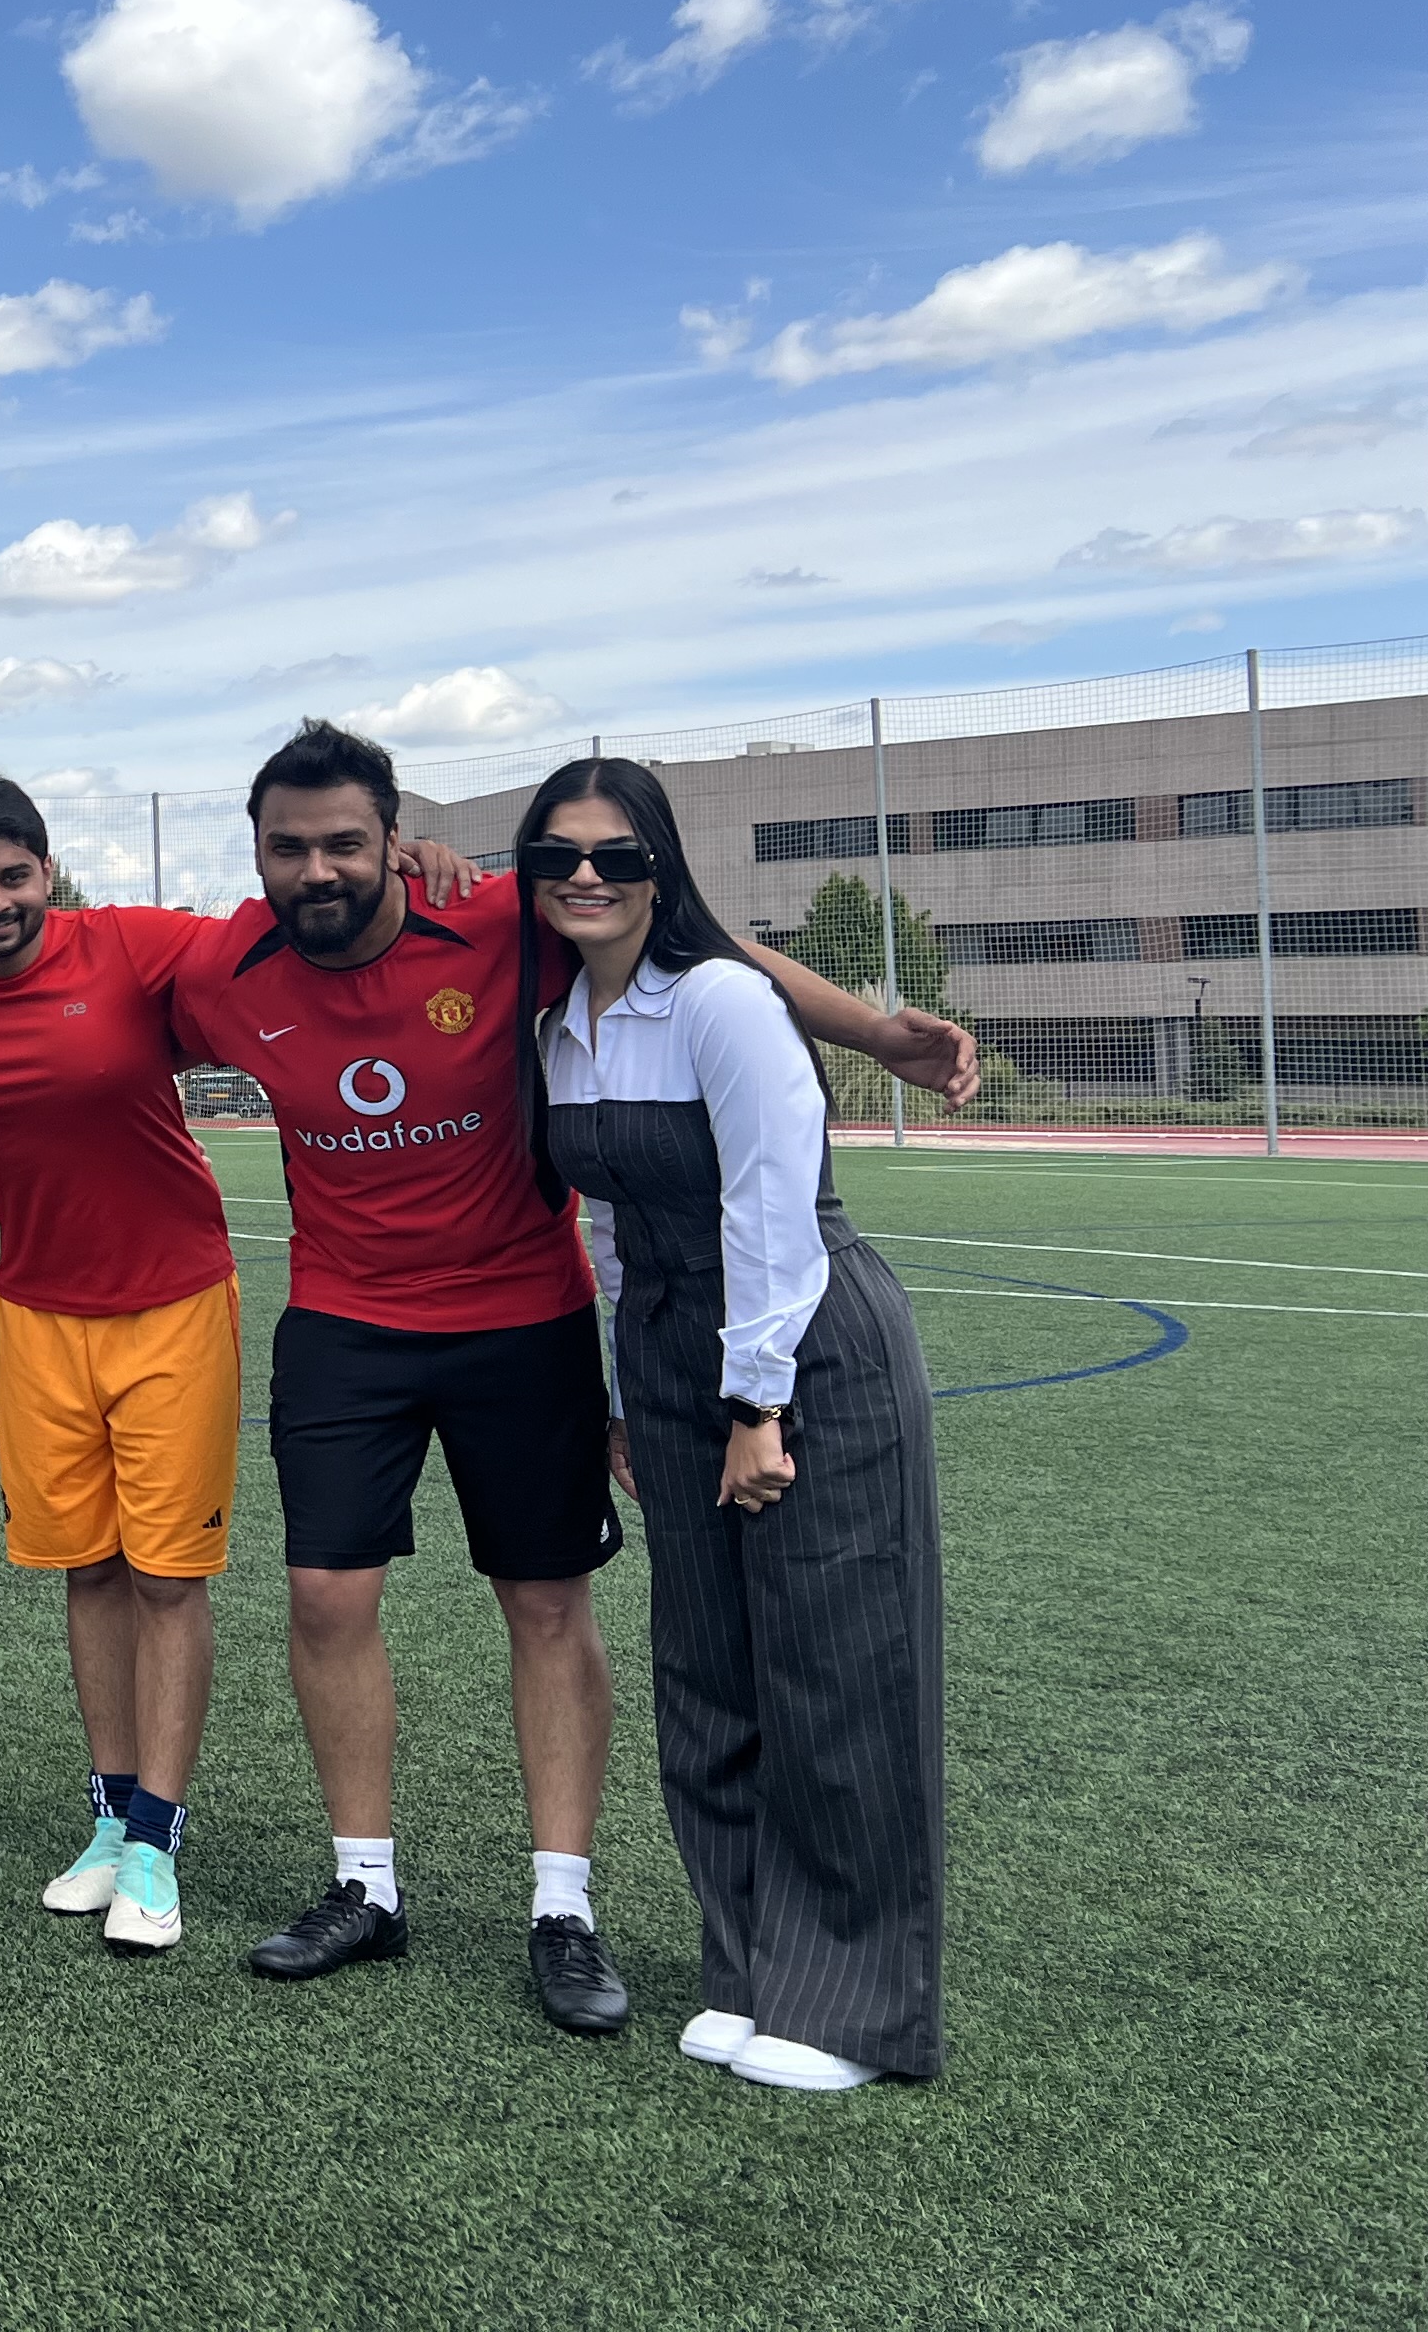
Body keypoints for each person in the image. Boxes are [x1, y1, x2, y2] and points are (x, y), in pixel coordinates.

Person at [166, 719, 974, 2035]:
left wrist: (878, 1033)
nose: (317, 870)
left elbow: (711, 948)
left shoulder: (505, 919)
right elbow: (80, 1012)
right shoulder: (222, 967)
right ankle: (364, 1888)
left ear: (392, 842)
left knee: (546, 1604)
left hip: (520, 1318)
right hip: (345, 1322)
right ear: (255, 853)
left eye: (345, 843)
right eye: (288, 847)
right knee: (323, 1595)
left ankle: (563, 1907)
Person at [524, 760, 945, 2090]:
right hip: (663, 1353)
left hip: (801, 1342)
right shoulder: (562, 1027)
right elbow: (603, 1225)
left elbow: (773, 1204)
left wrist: (758, 1403)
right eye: (559, 855)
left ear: (662, 871)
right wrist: (625, 1393)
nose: (587, 877)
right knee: (706, 1671)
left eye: (617, 855)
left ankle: (854, 2010)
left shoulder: (721, 1000)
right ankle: (752, 1970)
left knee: (833, 1668)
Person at [0, 777, 246, 1956]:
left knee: (168, 1577)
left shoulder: (130, 943)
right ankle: (112, 1818)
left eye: (14, 877)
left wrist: (419, 865)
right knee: (87, 1568)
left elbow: (278, 938)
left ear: (49, 872)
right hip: (37, 1313)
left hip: (175, 1301)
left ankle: (158, 1843)